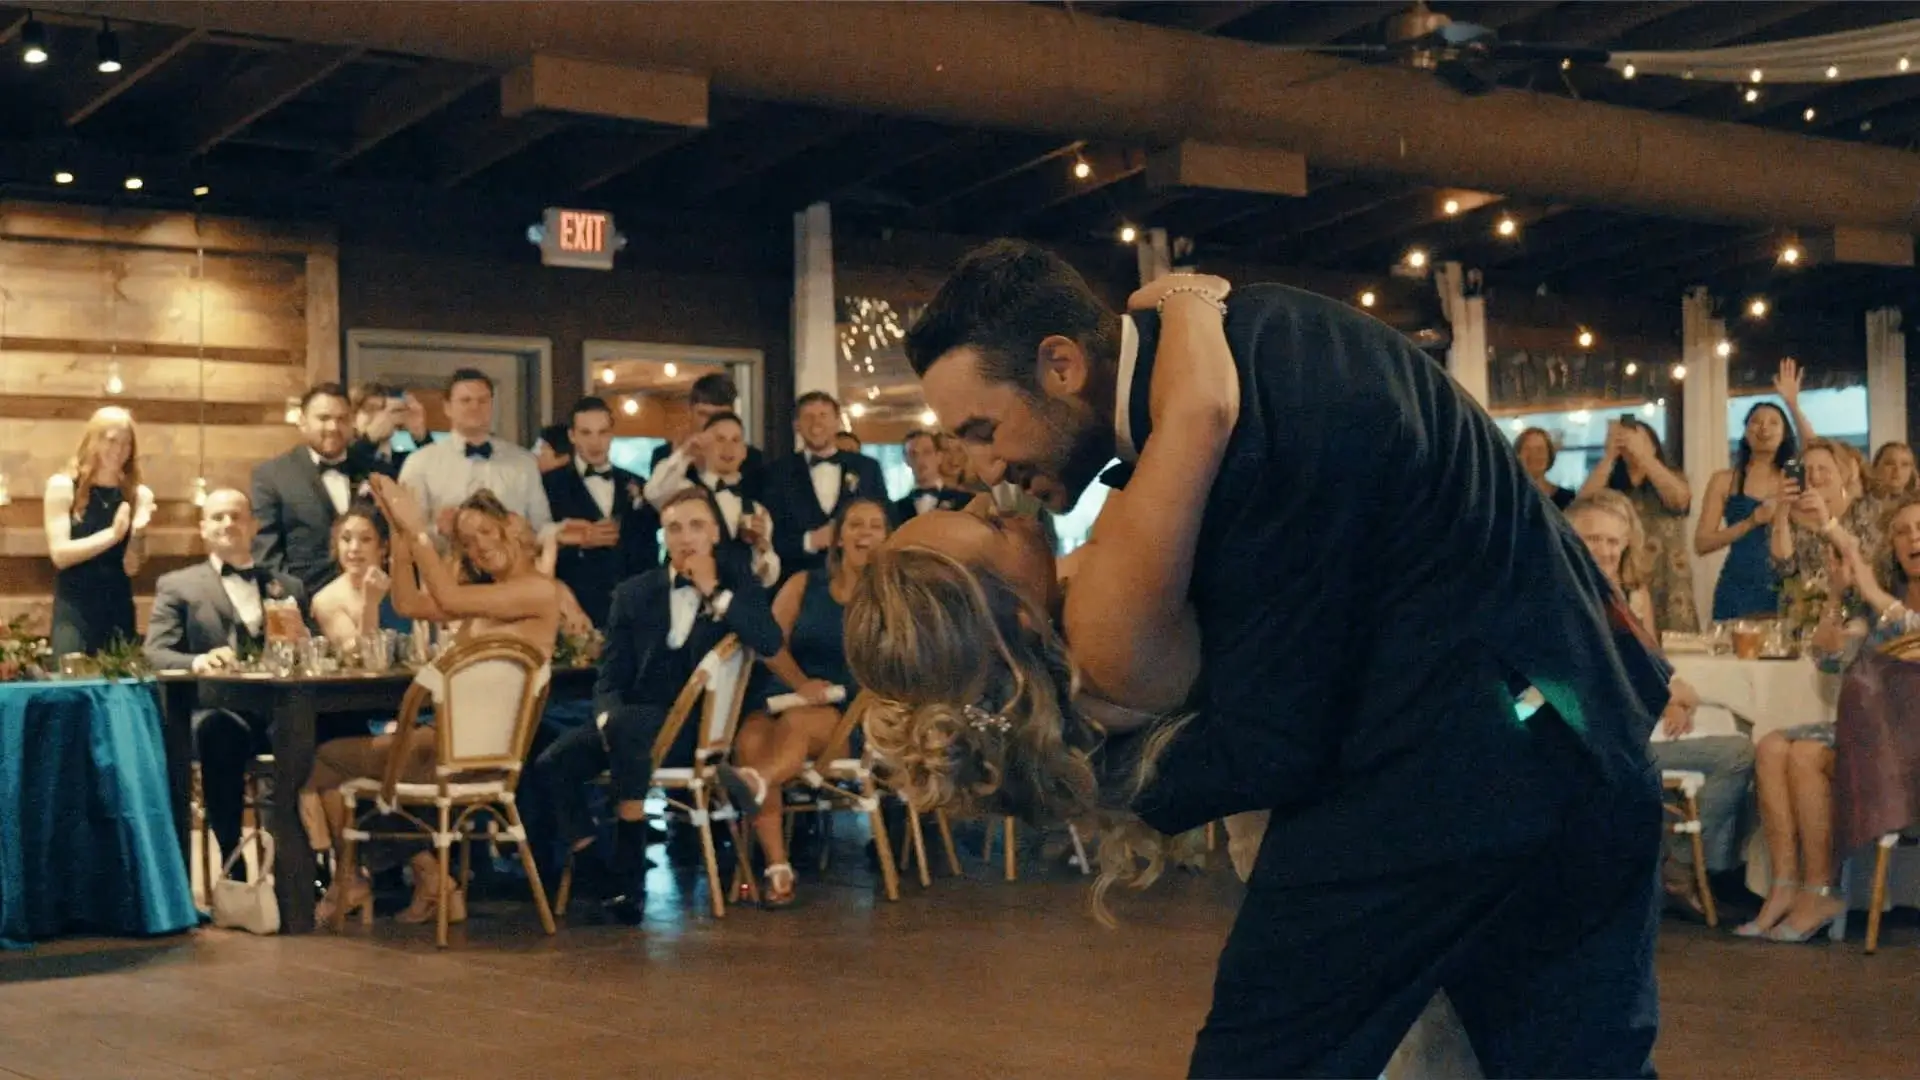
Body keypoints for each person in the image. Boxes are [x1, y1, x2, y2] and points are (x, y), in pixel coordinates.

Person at [853, 240, 1669, 1078]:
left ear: (1059, 365)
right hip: (1545, 744)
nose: (989, 473)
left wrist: (1112, 774)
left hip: (1484, 759)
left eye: (983, 431)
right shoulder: (1223, 365)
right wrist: (1192, 300)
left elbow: (1279, 734)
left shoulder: (1254, 397)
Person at [303, 479, 562, 924]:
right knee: (357, 771)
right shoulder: (488, 597)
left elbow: (450, 596)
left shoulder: (538, 591)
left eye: (485, 531)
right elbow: (406, 602)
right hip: (447, 750)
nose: (479, 547)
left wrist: (418, 531)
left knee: (325, 763)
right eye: (466, 540)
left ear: (512, 525)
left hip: (467, 757)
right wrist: (402, 537)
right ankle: (429, 878)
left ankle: (360, 881)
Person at [530, 487, 780, 924]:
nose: (686, 538)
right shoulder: (633, 593)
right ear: (663, 535)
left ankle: (629, 871)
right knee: (553, 761)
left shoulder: (739, 583)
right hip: (630, 722)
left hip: (696, 732)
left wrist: (713, 591)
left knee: (629, 728)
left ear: (715, 533)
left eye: (697, 526)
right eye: (675, 528)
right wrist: (606, 718)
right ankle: (596, 869)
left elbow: (769, 640)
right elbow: (609, 679)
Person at [144, 489, 313, 877]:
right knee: (221, 732)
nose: (227, 524)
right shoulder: (178, 585)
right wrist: (199, 660)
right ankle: (233, 865)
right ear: (203, 528)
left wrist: (303, 643)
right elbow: (154, 653)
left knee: (322, 731)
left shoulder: (288, 587)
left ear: (253, 525)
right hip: (213, 710)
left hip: (277, 714)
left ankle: (304, 872)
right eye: (217, 517)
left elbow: (312, 652)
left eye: (236, 516)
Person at [731, 496, 890, 907]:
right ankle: (777, 868)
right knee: (749, 739)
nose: (865, 533)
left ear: (887, 538)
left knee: (798, 726)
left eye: (875, 525)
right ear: (838, 538)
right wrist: (800, 684)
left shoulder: (891, 598)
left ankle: (758, 781)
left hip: (850, 711)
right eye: (856, 524)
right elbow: (768, 643)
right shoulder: (804, 583)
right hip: (789, 695)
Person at [253, 383, 392, 597]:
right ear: (302, 421)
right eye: (324, 418)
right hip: (305, 609)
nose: (333, 427)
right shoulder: (272, 476)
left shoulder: (377, 472)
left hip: (373, 606)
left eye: (342, 419)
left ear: (352, 422)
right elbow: (267, 558)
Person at [44, 406, 154, 655]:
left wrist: (138, 531)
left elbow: (131, 567)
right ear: (92, 440)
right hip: (75, 607)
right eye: (111, 440)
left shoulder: (137, 493)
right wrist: (112, 535)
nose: (118, 450)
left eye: (126, 443)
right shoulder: (63, 486)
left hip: (118, 604)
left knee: (121, 685)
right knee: (74, 686)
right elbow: (60, 555)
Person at [397, 368, 554, 541]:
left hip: (513, 565)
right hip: (444, 565)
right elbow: (406, 533)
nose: (474, 407)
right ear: (448, 407)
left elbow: (540, 527)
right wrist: (438, 530)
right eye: (466, 400)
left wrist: (561, 532)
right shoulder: (420, 463)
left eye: (483, 400)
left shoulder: (524, 462)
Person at [545, 397, 659, 628]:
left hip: (632, 608)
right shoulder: (549, 485)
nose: (595, 442)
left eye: (602, 432)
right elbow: (536, 547)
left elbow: (648, 547)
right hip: (575, 609)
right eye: (586, 433)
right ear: (572, 436)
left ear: (611, 434)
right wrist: (579, 543)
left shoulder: (636, 482)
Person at [644, 410, 780, 586]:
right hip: (687, 599)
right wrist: (685, 453)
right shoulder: (684, 493)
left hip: (737, 607)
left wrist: (760, 546)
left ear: (744, 452)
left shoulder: (757, 510)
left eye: (735, 440)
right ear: (704, 447)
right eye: (720, 439)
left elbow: (767, 580)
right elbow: (653, 492)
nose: (728, 448)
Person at [764, 391, 888, 580]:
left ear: (837, 421)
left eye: (823, 415)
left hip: (861, 581)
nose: (816, 423)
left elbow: (886, 522)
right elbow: (770, 537)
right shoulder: (777, 473)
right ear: (796, 425)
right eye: (808, 417)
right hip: (801, 583)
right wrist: (810, 541)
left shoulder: (867, 468)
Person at [307, 505, 411, 646]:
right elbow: (357, 658)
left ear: (383, 547)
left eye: (365, 539)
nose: (354, 548)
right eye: (346, 539)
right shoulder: (326, 600)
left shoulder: (404, 588)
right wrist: (370, 605)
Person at [647, 371, 767, 485]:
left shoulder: (752, 459)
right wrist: (679, 459)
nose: (711, 422)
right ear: (690, 412)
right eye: (703, 414)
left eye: (720, 415)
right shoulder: (665, 455)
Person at [893, 429, 976, 523]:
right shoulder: (896, 508)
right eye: (913, 454)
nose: (920, 460)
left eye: (927, 452)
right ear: (906, 459)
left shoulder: (966, 501)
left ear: (939, 457)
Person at [1514, 427, 1575, 510]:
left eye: (1540, 449)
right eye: (1527, 449)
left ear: (1549, 456)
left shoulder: (1568, 500)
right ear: (1517, 456)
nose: (1533, 455)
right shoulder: (1506, 498)